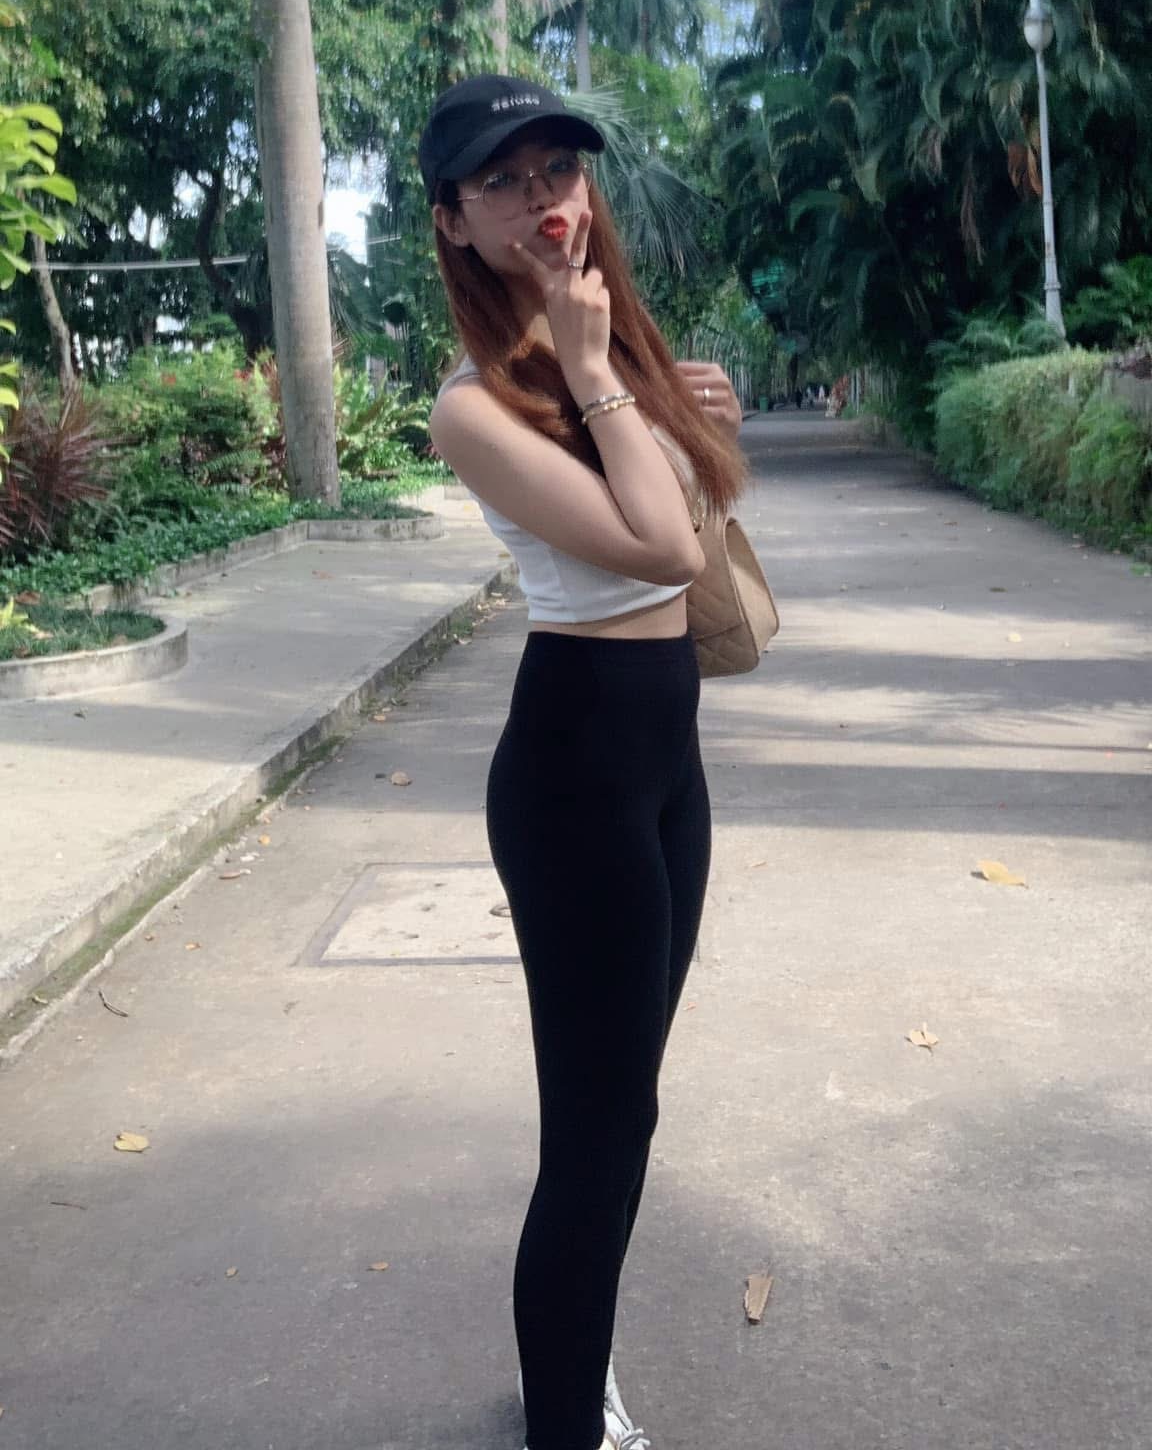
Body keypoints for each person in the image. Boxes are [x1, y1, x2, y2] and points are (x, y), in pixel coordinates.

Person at [420, 76, 747, 1450]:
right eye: (502, 180)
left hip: (667, 750)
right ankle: (568, 1423)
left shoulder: (607, 350)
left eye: (557, 168)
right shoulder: (473, 407)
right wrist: (605, 373)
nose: (542, 197)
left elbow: (695, 514)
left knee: (631, 1111)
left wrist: (688, 409)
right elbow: (657, 550)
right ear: (454, 222)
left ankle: (573, 1370)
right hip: (575, 769)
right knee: (597, 1133)